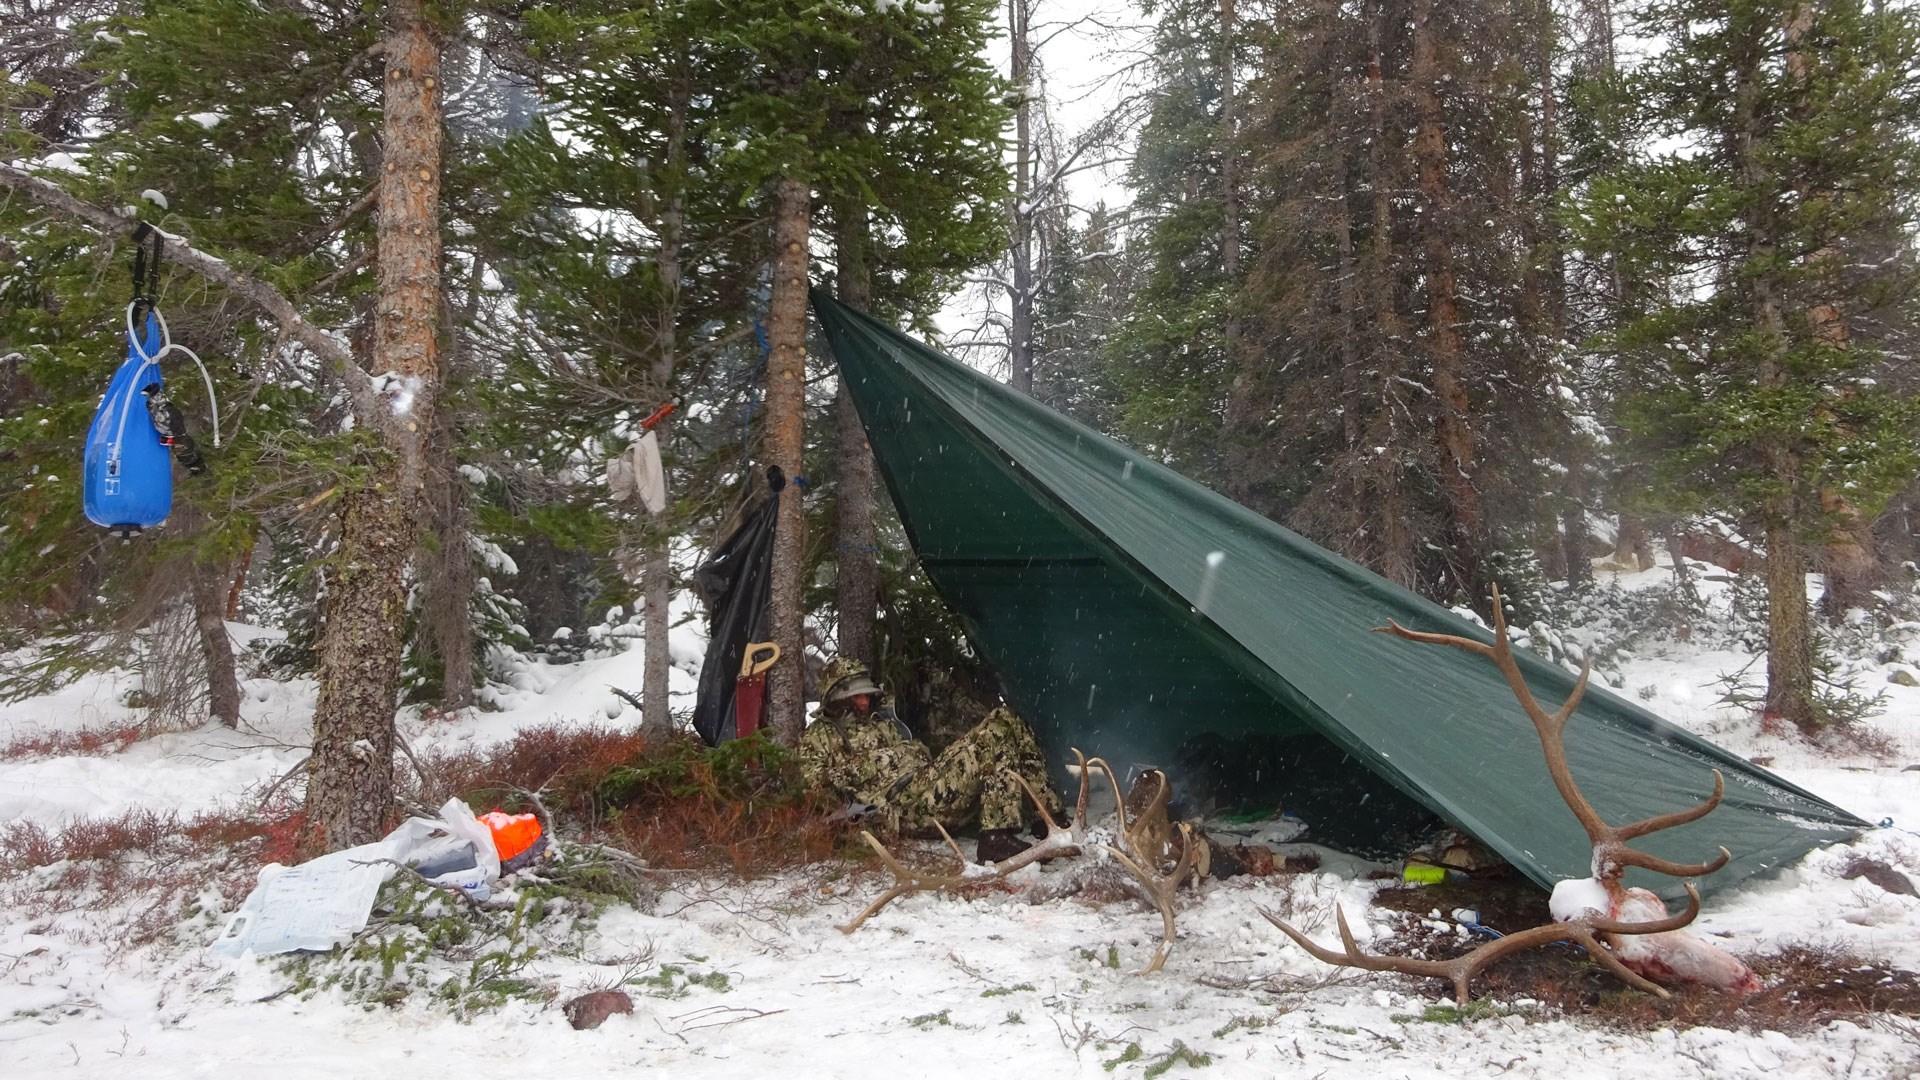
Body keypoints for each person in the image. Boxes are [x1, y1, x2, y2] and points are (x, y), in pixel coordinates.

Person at [800, 657, 1057, 862]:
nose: (865, 702)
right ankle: (995, 839)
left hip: (924, 785)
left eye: (866, 694)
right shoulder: (820, 736)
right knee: (994, 730)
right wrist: (875, 763)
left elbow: (917, 754)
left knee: (1005, 719)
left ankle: (1047, 813)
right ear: (837, 697)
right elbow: (813, 786)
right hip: (901, 806)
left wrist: (906, 753)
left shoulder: (882, 723)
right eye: (857, 696)